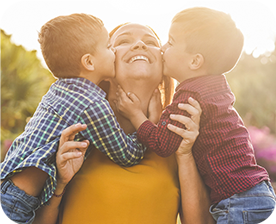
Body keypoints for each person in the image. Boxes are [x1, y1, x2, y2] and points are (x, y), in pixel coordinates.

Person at [33, 23, 214, 224]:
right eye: (123, 41)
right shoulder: (75, 132)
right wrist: (59, 183)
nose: (139, 45)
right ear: (102, 61)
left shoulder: (180, 136)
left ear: (164, 66)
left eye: (150, 42)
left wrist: (185, 154)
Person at [116, 7, 276, 223]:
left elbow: (162, 144)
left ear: (195, 62)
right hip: (259, 194)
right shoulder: (217, 86)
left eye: (170, 43)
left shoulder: (189, 94)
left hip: (237, 201)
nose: (163, 48)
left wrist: (137, 116)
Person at [0, 13, 149, 224]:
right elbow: (128, 154)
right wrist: (146, 122)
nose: (113, 51)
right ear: (88, 62)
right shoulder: (91, 103)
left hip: (8, 190)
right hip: (15, 203)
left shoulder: (60, 89)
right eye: (108, 46)